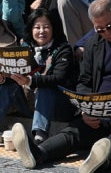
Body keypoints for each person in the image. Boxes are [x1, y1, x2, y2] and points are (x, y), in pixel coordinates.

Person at [10, 0, 111, 173]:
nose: (106, 33)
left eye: (110, 26)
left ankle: (100, 162)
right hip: (100, 107)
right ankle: (38, 153)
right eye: (99, 29)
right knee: (72, 133)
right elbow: (84, 81)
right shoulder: (93, 44)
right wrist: (85, 107)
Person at [0, 9, 77, 143]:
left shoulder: (63, 49)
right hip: (28, 101)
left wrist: (31, 80)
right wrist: (4, 77)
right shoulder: (25, 46)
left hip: (56, 104)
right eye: (37, 27)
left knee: (45, 88)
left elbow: (59, 78)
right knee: (7, 86)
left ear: (54, 29)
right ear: (31, 29)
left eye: (46, 27)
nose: (42, 31)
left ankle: (39, 136)